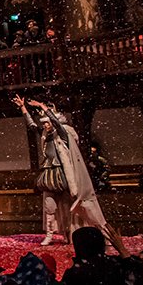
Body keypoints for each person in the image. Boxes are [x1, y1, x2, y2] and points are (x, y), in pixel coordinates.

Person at [14, 96, 107, 246]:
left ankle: (82, 233)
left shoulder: (63, 135)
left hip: (65, 176)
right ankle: (49, 235)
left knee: (72, 207)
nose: (45, 126)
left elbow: (58, 124)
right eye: (43, 124)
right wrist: (23, 108)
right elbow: (32, 126)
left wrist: (43, 107)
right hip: (50, 174)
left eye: (47, 123)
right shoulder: (45, 135)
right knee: (49, 207)